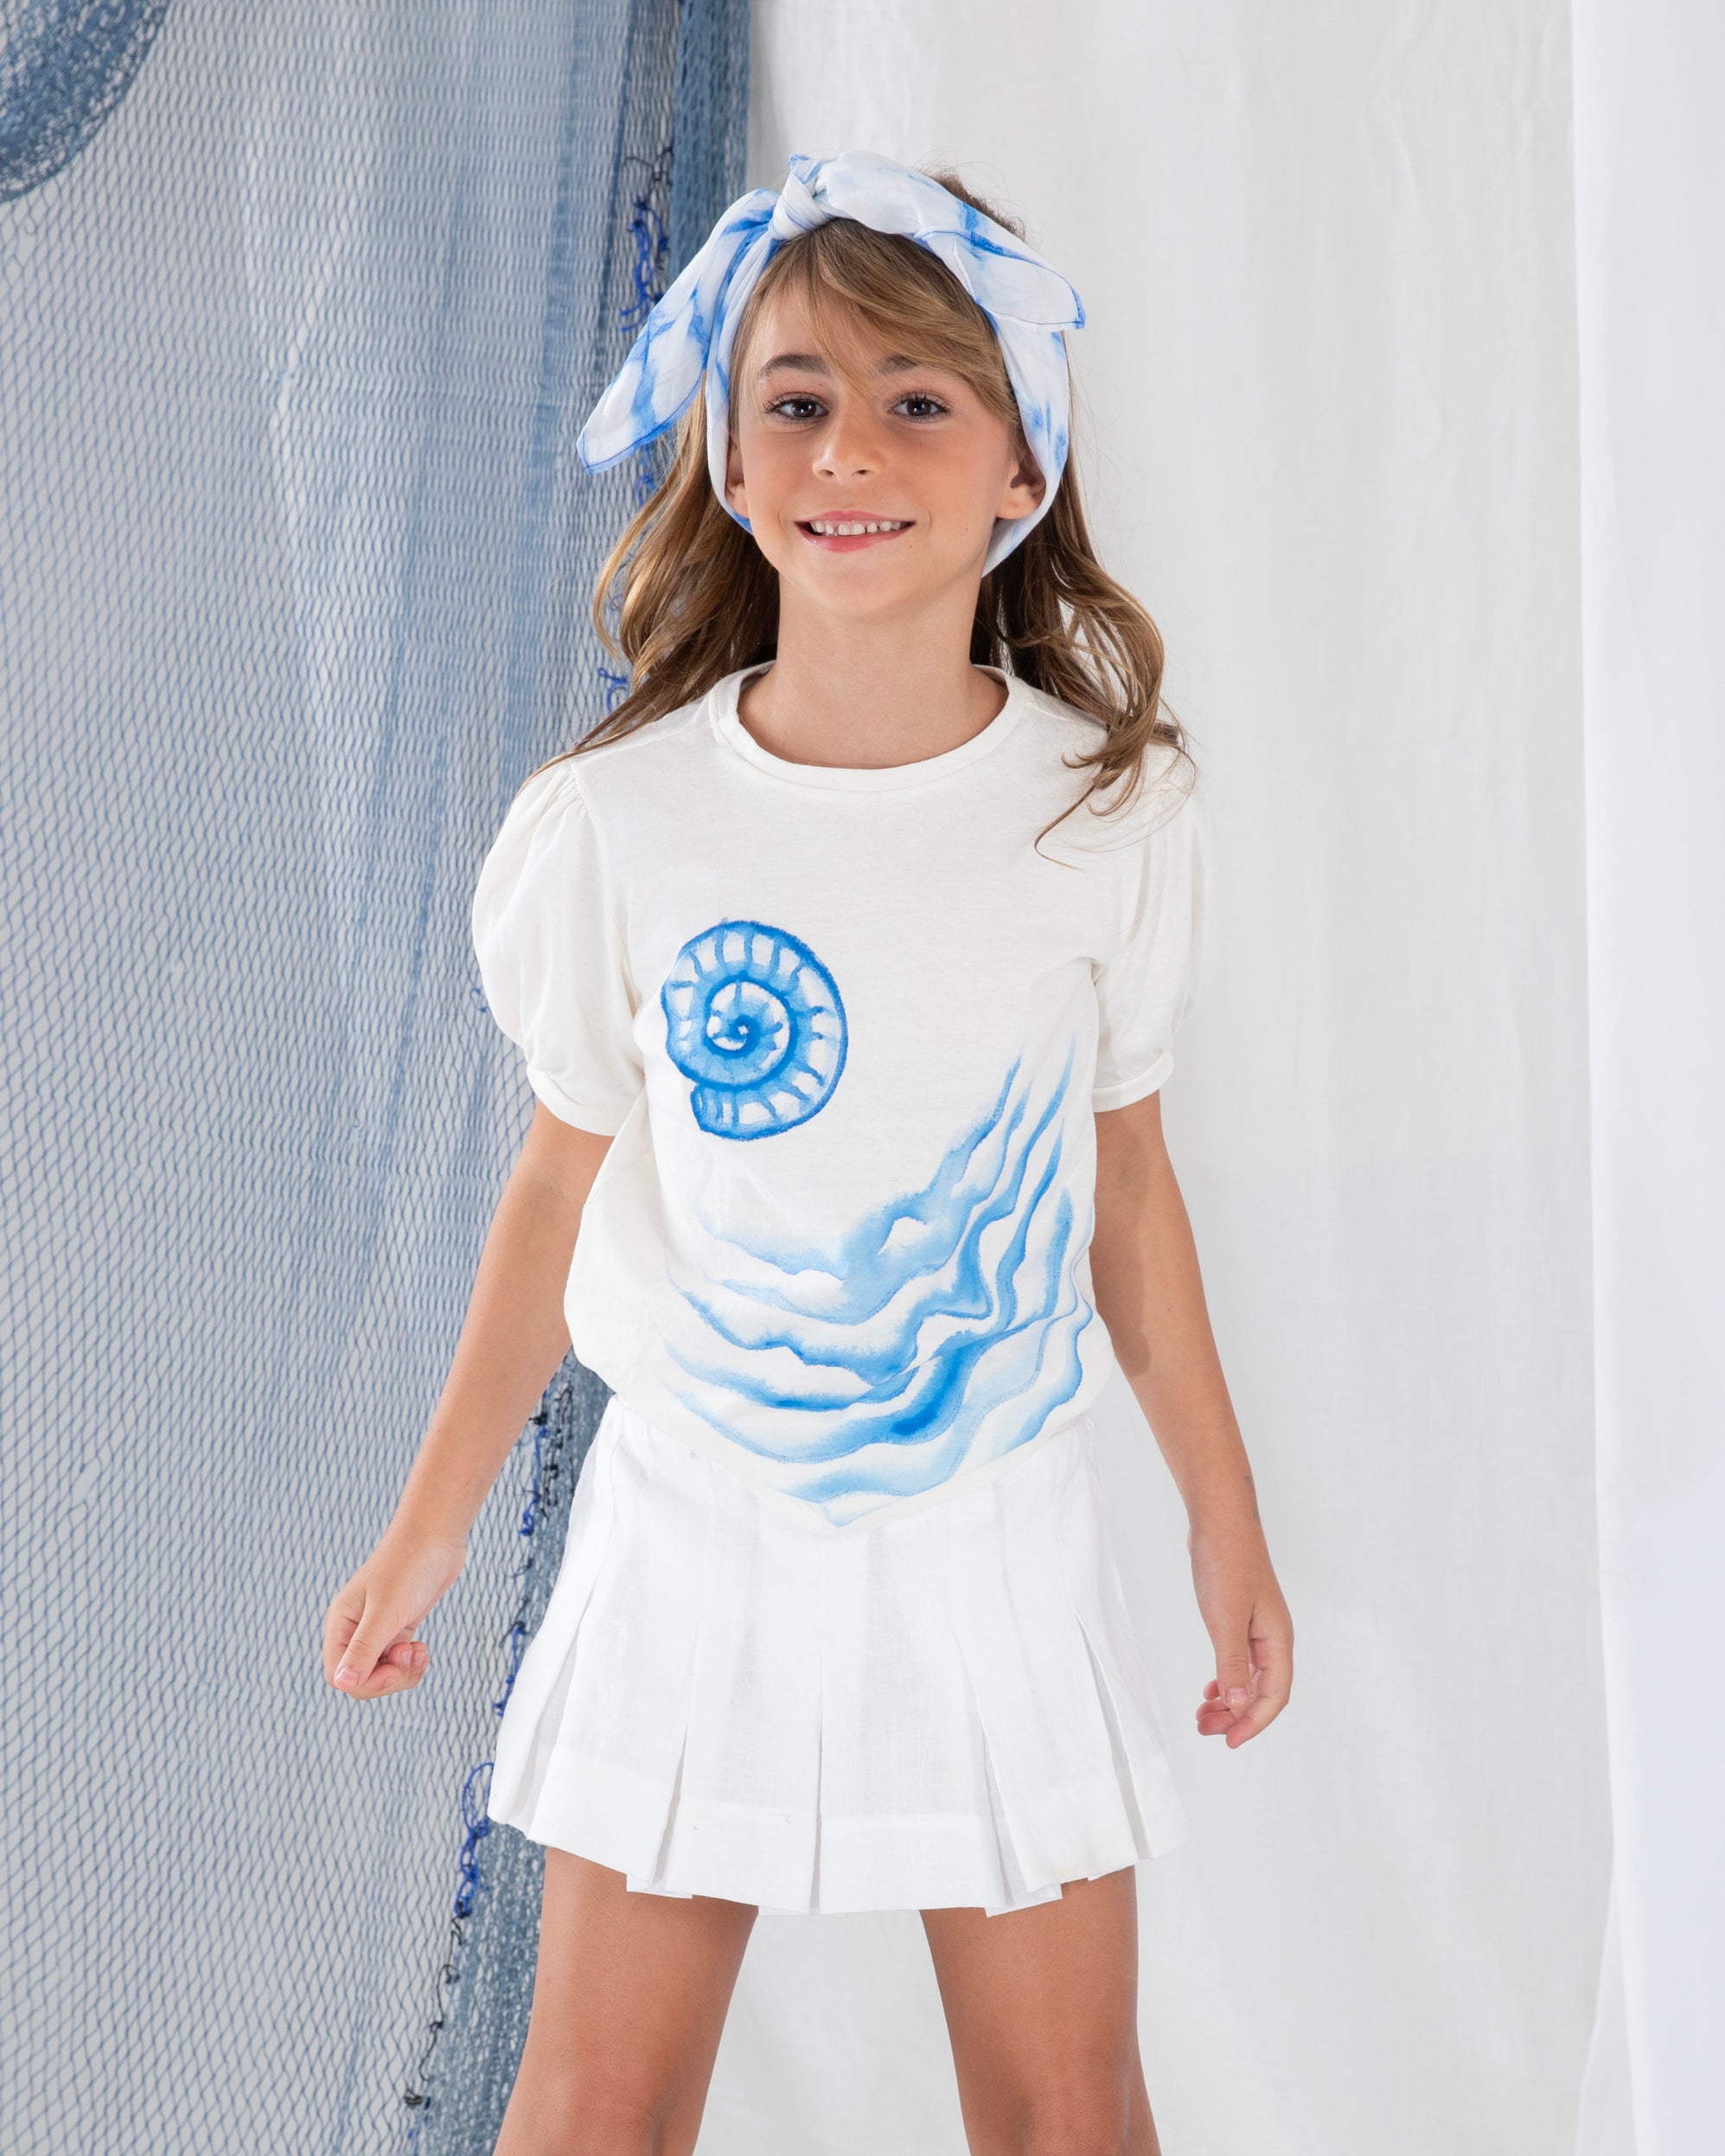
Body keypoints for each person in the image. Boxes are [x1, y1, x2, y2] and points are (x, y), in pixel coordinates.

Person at [323, 149, 1294, 2156]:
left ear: (1021, 463)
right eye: (794, 398)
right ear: (729, 455)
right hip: (695, 1530)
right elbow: (553, 1186)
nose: (848, 446)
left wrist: (1221, 1516)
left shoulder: (1104, 811)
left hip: (997, 1536)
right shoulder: (622, 825)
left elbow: (1124, 1189)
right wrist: (430, 1521)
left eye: (916, 398)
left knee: (1065, 2103)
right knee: (594, 2103)